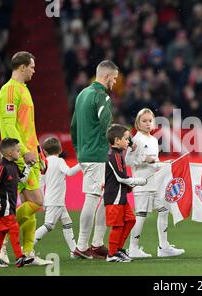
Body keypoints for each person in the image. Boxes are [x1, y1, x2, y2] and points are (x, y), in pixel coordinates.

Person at [0, 51, 51, 265]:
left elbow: (29, 127)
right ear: (22, 67)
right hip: (16, 157)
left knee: (30, 206)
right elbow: (9, 126)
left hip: (29, 155)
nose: (34, 70)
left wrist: (38, 151)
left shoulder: (24, 90)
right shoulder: (9, 90)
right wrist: (21, 152)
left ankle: (27, 253)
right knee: (37, 202)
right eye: (32, 67)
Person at [70, 60, 119, 259]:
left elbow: (73, 126)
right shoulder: (101, 96)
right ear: (106, 76)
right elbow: (107, 122)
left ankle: (97, 244)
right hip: (97, 155)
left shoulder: (82, 94)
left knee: (105, 197)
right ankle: (81, 246)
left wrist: (78, 149)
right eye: (114, 78)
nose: (115, 82)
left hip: (86, 153)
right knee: (92, 198)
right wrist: (118, 141)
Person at [126, 108, 185, 258]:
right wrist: (143, 159)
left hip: (155, 182)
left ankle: (163, 247)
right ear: (138, 123)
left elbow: (154, 163)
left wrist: (166, 164)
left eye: (149, 121)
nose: (147, 123)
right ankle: (133, 248)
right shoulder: (136, 140)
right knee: (141, 215)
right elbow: (127, 160)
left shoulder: (153, 140)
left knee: (164, 210)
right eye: (144, 121)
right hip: (141, 183)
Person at [104, 124, 147, 262]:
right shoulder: (113, 155)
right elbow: (120, 177)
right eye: (126, 139)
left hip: (120, 195)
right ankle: (112, 254)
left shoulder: (118, 154)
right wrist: (138, 181)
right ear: (117, 140)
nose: (128, 142)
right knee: (118, 225)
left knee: (130, 220)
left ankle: (118, 249)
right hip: (114, 197)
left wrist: (129, 185)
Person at [0, 138, 34, 268]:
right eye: (18, 151)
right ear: (9, 153)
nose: (20, 153)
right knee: (13, 228)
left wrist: (29, 167)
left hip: (11, 206)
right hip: (4, 206)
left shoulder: (13, 166)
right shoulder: (1, 167)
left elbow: (22, 180)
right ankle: (20, 257)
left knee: (1, 233)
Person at [34, 137, 81, 256]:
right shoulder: (59, 161)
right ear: (60, 150)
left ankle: (74, 250)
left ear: (44, 151)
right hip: (56, 201)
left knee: (67, 222)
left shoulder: (45, 163)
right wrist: (82, 164)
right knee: (49, 225)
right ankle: (27, 247)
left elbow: (40, 183)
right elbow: (69, 172)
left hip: (51, 199)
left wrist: (43, 201)